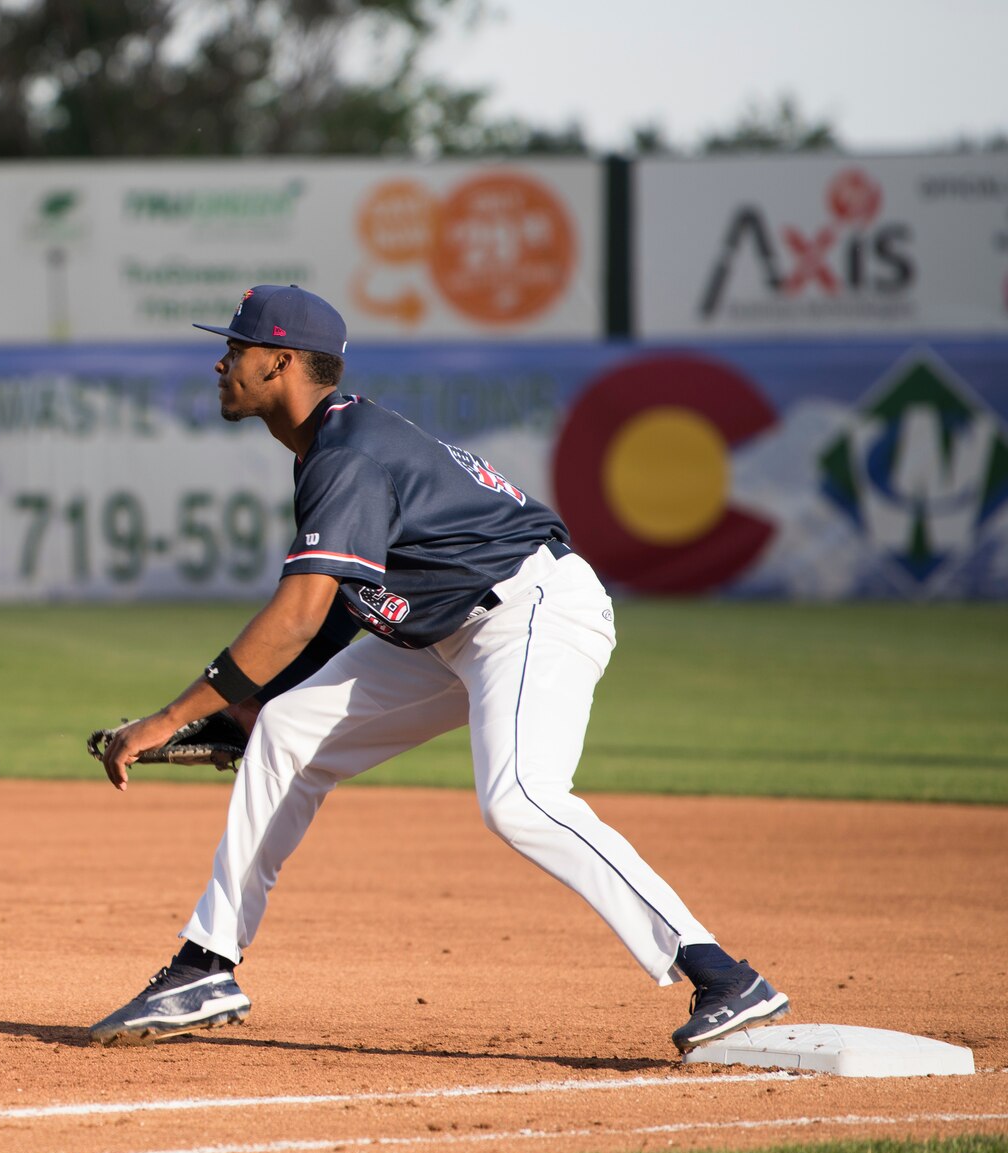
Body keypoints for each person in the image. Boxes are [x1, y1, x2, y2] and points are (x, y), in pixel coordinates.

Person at [89, 285, 788, 1055]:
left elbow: (294, 615)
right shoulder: (334, 444)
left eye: (238, 349)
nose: (222, 362)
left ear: (282, 362)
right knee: (286, 729)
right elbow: (335, 613)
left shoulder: (345, 454)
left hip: (531, 613)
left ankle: (723, 976)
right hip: (448, 631)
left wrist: (167, 716)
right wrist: (248, 709)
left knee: (520, 798)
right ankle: (205, 965)